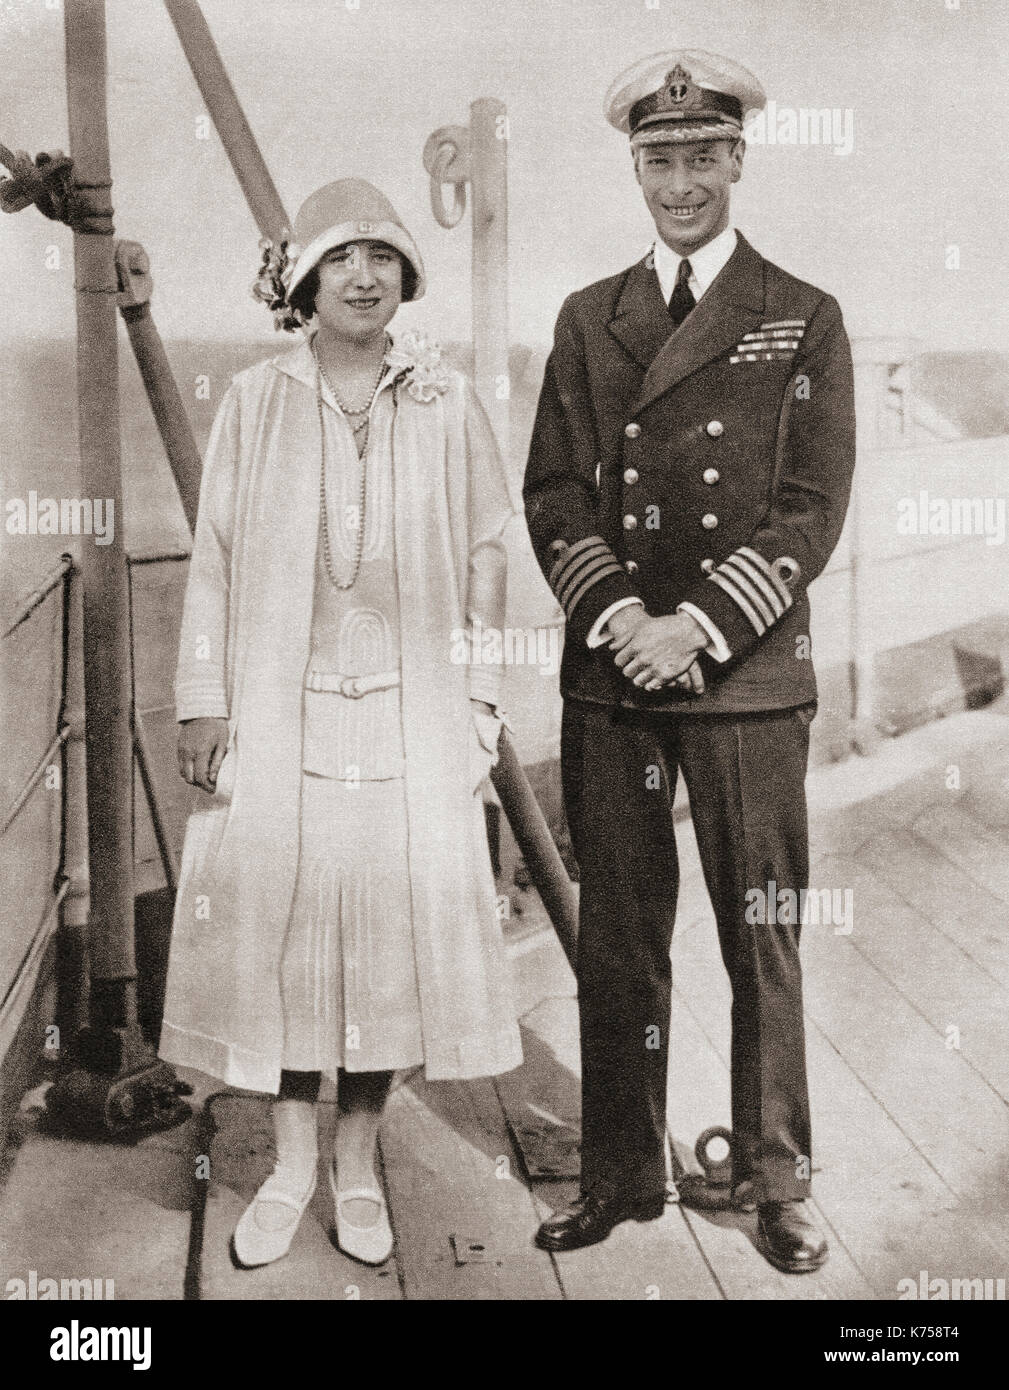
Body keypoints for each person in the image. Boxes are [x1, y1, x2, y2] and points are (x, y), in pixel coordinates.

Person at [523, 51, 856, 1272]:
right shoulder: (585, 315)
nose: (678, 181)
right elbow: (554, 491)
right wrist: (621, 615)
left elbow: (811, 507)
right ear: (636, 168)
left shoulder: (800, 312)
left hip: (746, 677)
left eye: (698, 157)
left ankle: (776, 1180)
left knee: (758, 928)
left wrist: (698, 626)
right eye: (656, 160)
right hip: (614, 673)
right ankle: (619, 1174)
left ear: (735, 161)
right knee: (620, 929)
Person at [159, 178, 521, 1269]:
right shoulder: (259, 400)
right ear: (305, 282)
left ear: (405, 277)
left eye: (381, 257)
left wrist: (481, 701)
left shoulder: (445, 401)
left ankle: (356, 1164)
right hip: (280, 720)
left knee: (383, 952)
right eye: (339, 259)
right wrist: (203, 698)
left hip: (411, 726)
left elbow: (489, 552)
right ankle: (285, 1165)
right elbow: (215, 559)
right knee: (279, 945)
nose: (362, 276)